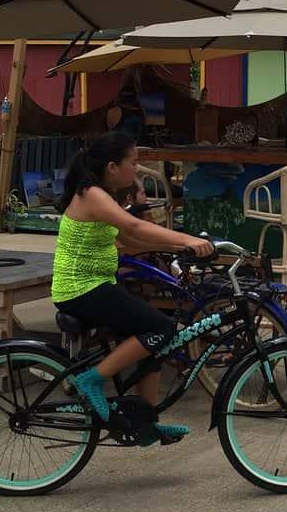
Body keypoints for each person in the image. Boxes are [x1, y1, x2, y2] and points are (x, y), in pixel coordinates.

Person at [56, 133, 213, 443]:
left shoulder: (102, 196)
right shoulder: (92, 194)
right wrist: (187, 239)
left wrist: (175, 251)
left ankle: (145, 422)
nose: (137, 170)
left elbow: (130, 242)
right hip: (80, 288)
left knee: (154, 340)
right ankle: (91, 380)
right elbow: (135, 227)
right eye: (133, 163)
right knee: (161, 328)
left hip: (96, 285)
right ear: (112, 167)